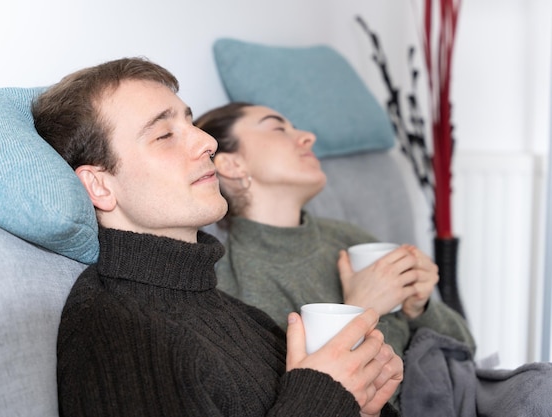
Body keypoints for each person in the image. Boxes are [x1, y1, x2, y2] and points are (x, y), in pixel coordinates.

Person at [32, 57, 402, 417]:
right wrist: (324, 395)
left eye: (192, 124)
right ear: (99, 186)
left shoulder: (231, 313)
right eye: (164, 135)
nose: (207, 142)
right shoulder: (115, 333)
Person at [194, 102, 477, 408]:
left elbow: (467, 350)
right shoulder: (229, 282)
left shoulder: (349, 239)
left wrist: (419, 309)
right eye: (278, 128)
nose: (308, 137)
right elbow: (309, 404)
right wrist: (363, 309)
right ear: (231, 165)